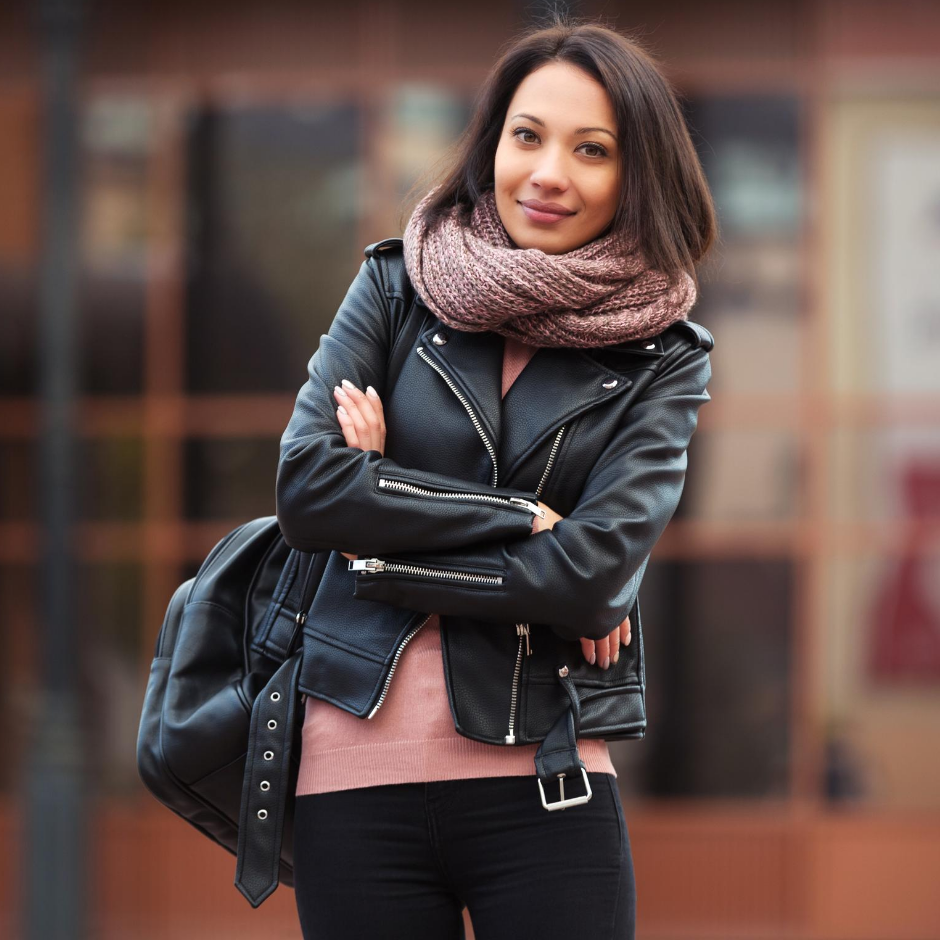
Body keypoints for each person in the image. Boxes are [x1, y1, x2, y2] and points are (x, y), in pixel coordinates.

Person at [279, 14, 716, 940]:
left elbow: (594, 573)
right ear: (492, 147)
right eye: (528, 136)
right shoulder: (398, 286)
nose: (549, 172)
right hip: (352, 784)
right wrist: (528, 518)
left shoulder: (663, 357)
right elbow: (312, 489)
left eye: (591, 150)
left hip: (545, 781)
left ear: (636, 177)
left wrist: (384, 530)